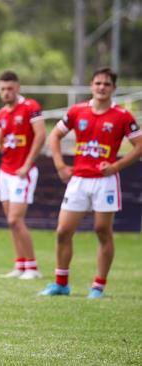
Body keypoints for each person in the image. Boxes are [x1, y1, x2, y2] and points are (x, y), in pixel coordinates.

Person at [39, 67, 142, 298]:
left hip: (105, 182)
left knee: (102, 231)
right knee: (63, 231)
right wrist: (60, 166)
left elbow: (139, 145)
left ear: (113, 88)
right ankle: (61, 283)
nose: (101, 88)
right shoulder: (77, 111)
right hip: (78, 180)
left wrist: (116, 166)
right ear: (91, 86)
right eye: (98, 83)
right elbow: (54, 135)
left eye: (106, 84)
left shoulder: (122, 116)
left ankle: (98, 286)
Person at [0, 71, 46, 280]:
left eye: (10, 88)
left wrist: (28, 164)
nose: (6, 92)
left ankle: (33, 267)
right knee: (11, 222)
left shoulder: (30, 107)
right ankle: (20, 264)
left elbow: (41, 136)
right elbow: (0, 144)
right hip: (6, 171)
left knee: (15, 219)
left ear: (17, 88)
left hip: (22, 173)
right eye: (2, 89)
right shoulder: (2, 113)